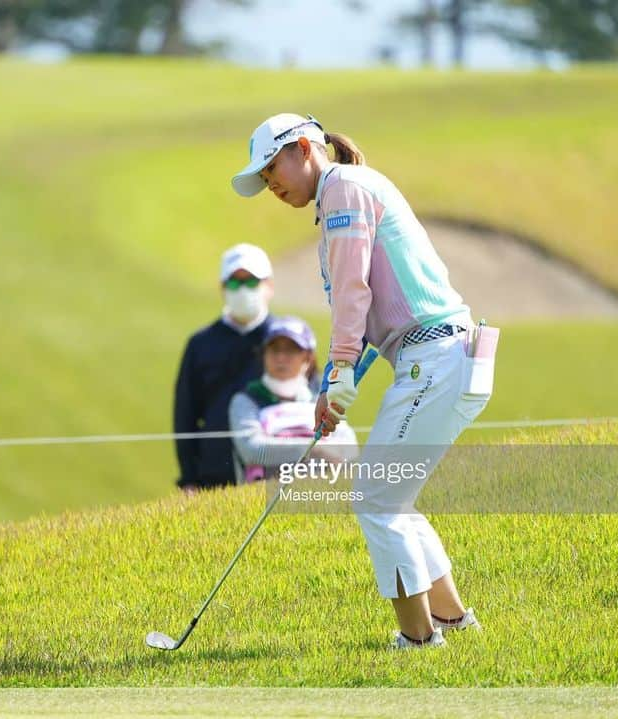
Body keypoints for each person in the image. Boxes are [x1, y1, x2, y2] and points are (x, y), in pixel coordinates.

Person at [232, 113, 497, 649]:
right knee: (391, 496)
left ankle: (419, 642)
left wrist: (341, 371)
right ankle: (453, 622)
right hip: (444, 356)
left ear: (305, 148)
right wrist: (336, 377)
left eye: (272, 167)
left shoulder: (344, 189)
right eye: (262, 179)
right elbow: (369, 299)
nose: (270, 184)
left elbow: (353, 290)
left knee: (376, 498)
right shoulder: (346, 191)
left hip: (437, 357)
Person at [174, 244, 276, 493]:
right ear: (222, 288)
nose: (242, 290)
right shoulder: (201, 344)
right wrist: (189, 477)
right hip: (214, 477)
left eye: (251, 282)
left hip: (276, 474)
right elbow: (185, 414)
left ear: (269, 286)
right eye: (234, 283)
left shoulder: (288, 341)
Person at [229, 316, 357, 484]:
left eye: (291, 350)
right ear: (263, 354)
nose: (281, 357)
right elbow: (252, 450)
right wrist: (315, 449)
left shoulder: (320, 401)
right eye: (274, 349)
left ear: (308, 358)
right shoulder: (246, 400)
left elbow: (350, 451)